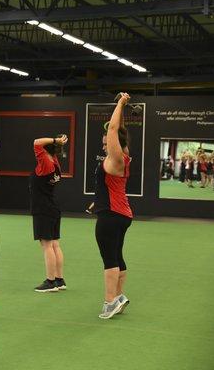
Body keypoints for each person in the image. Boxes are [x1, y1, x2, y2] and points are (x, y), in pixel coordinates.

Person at [93, 92, 133, 319]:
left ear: (114, 140)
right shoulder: (124, 155)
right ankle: (118, 296)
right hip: (121, 213)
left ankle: (110, 302)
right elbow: (118, 130)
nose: (104, 141)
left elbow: (113, 130)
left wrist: (120, 102)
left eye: (106, 139)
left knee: (109, 257)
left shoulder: (115, 158)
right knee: (117, 255)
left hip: (112, 215)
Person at [29, 134, 68, 292]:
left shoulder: (46, 162)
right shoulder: (55, 162)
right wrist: (58, 142)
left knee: (47, 246)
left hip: (43, 208)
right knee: (54, 244)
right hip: (52, 207)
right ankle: (59, 280)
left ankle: (50, 282)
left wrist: (55, 141)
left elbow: (36, 142)